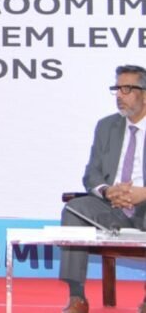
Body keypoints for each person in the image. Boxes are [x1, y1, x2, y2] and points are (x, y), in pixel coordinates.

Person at [59, 65, 146, 313]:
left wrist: (142, 193)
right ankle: (77, 297)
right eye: (116, 88)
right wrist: (108, 191)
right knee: (74, 210)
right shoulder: (106, 126)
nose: (119, 95)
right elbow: (91, 174)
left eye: (127, 89)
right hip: (111, 205)